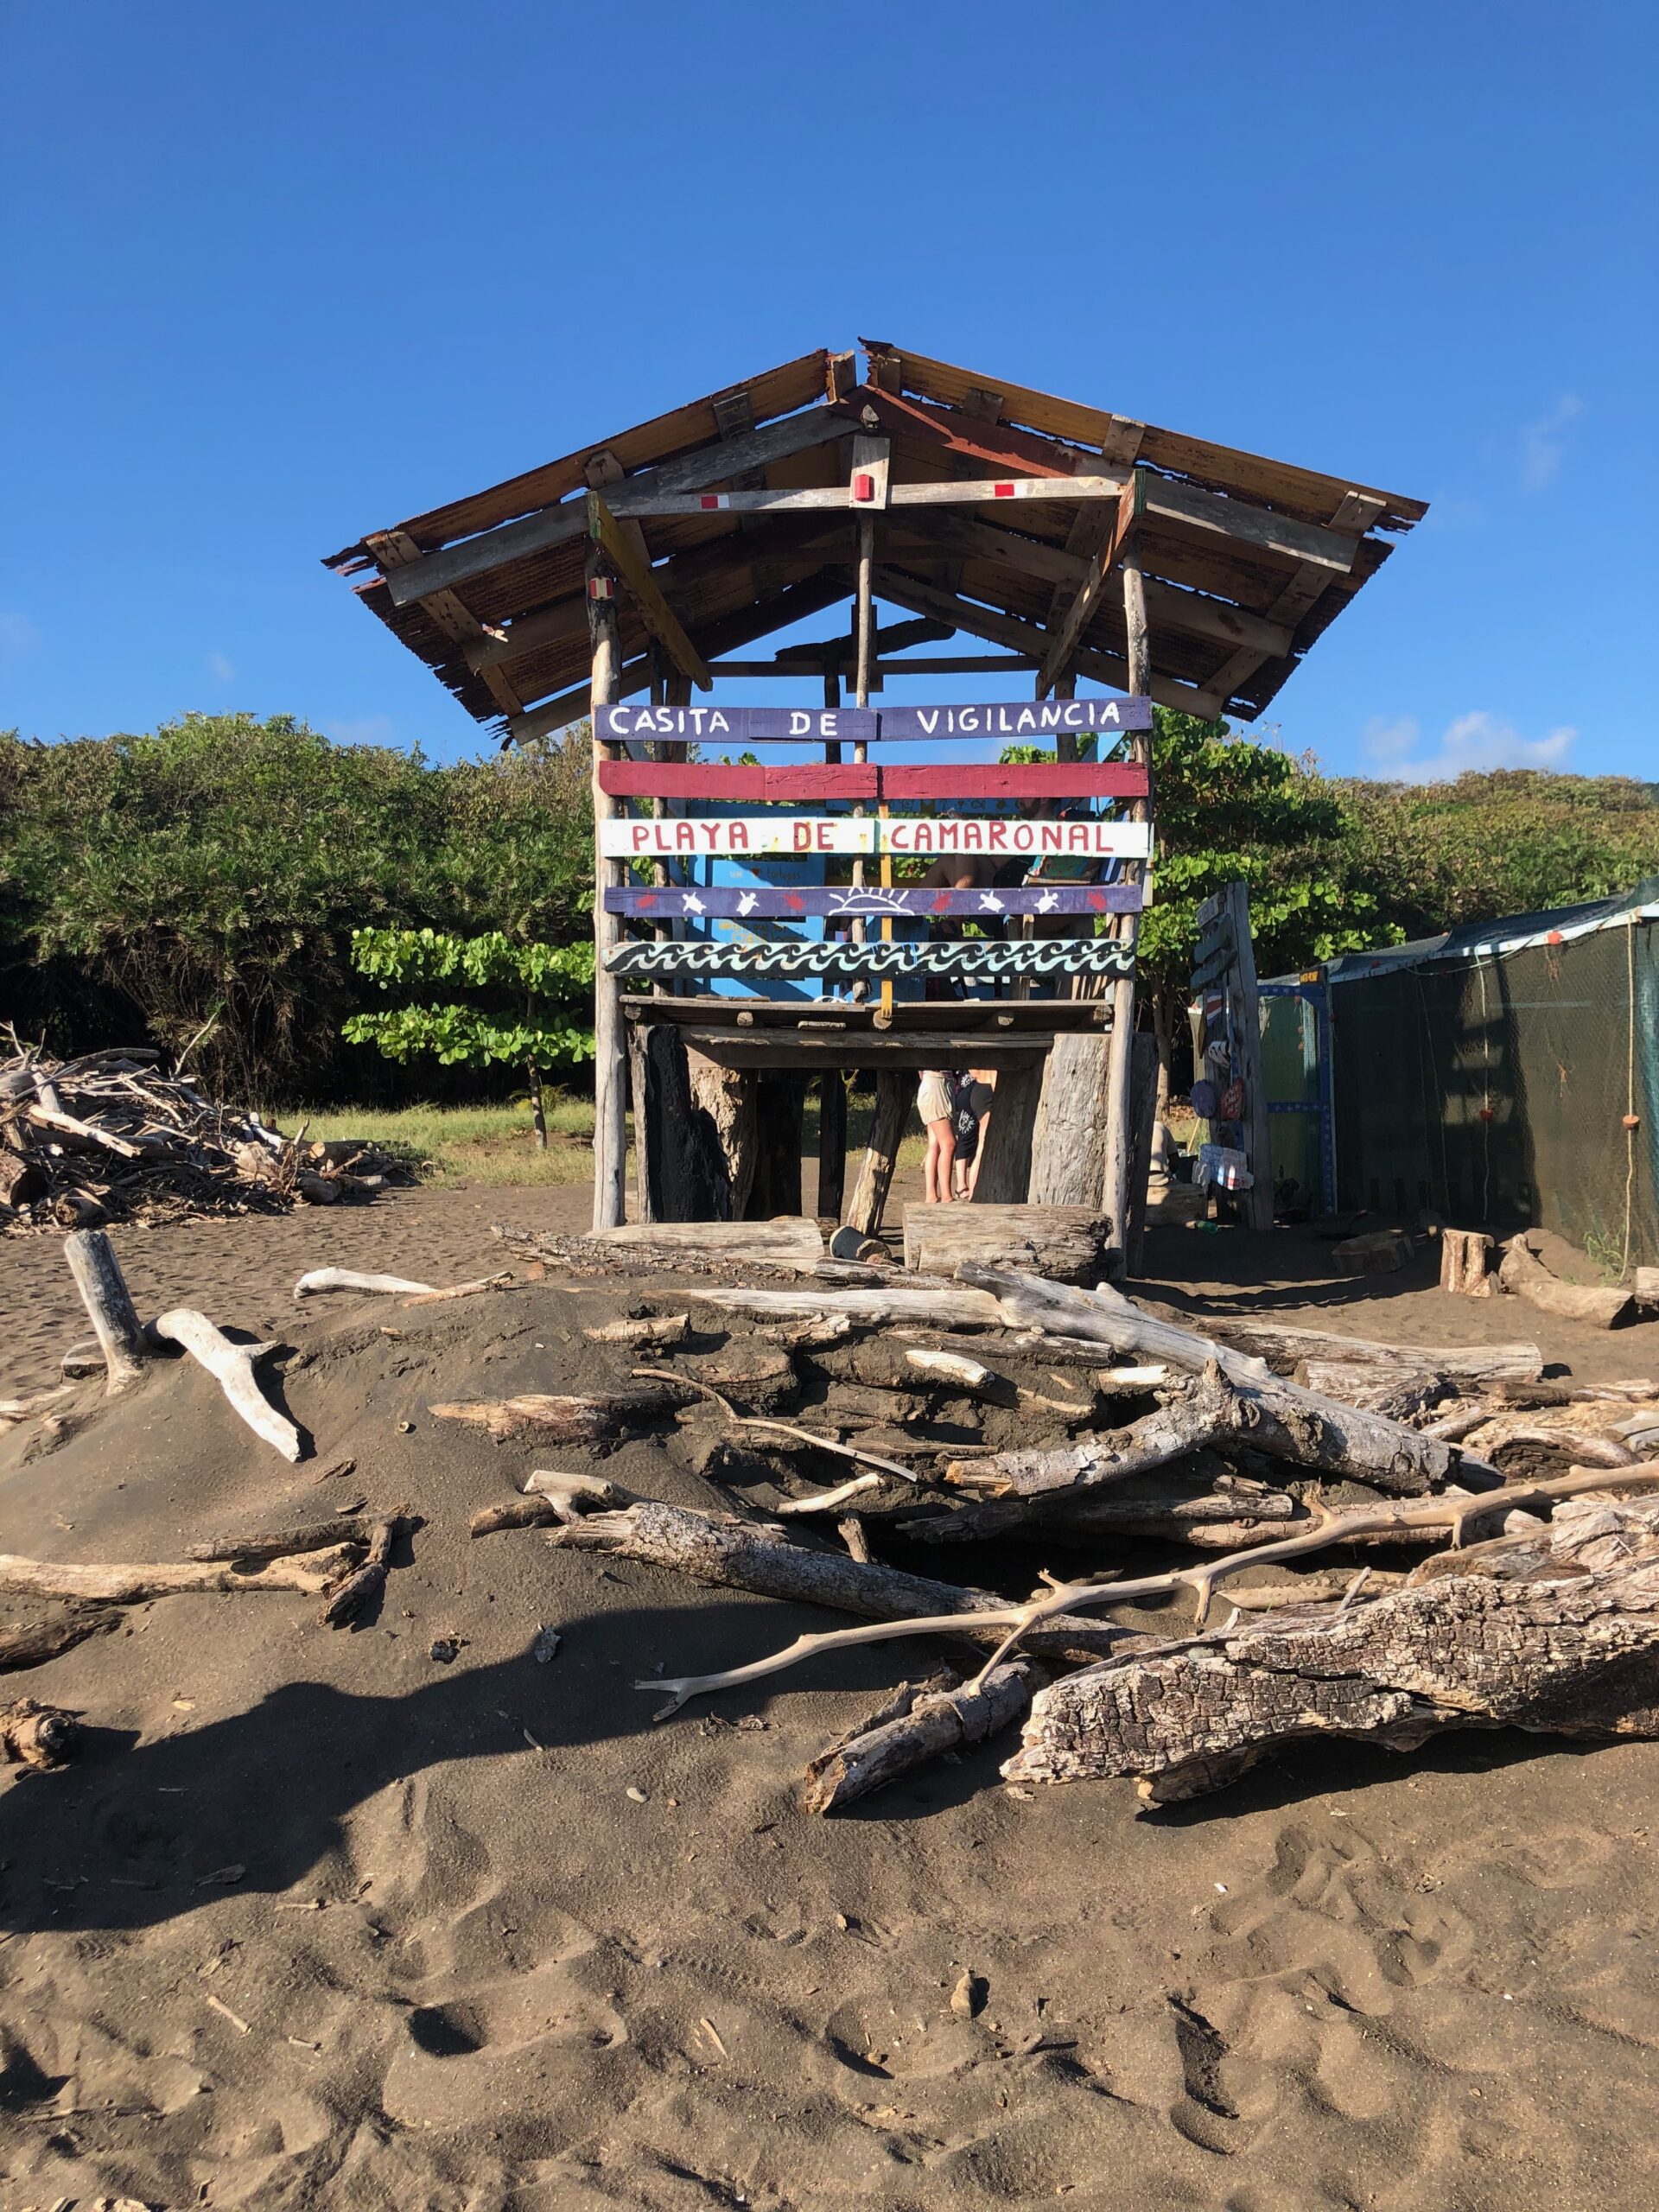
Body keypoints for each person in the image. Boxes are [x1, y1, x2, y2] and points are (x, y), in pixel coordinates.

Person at [950, 1067, 997, 1200]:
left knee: (981, 1144)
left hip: (978, 1090)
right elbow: (994, 1077)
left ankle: (973, 1190)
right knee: (983, 1145)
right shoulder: (993, 1059)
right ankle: (974, 1192)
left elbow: (974, 1073)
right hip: (986, 1092)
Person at [916, 1067, 956, 1204]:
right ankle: (946, 1196)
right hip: (936, 1083)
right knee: (949, 1144)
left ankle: (932, 1195)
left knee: (935, 1145)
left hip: (938, 1082)